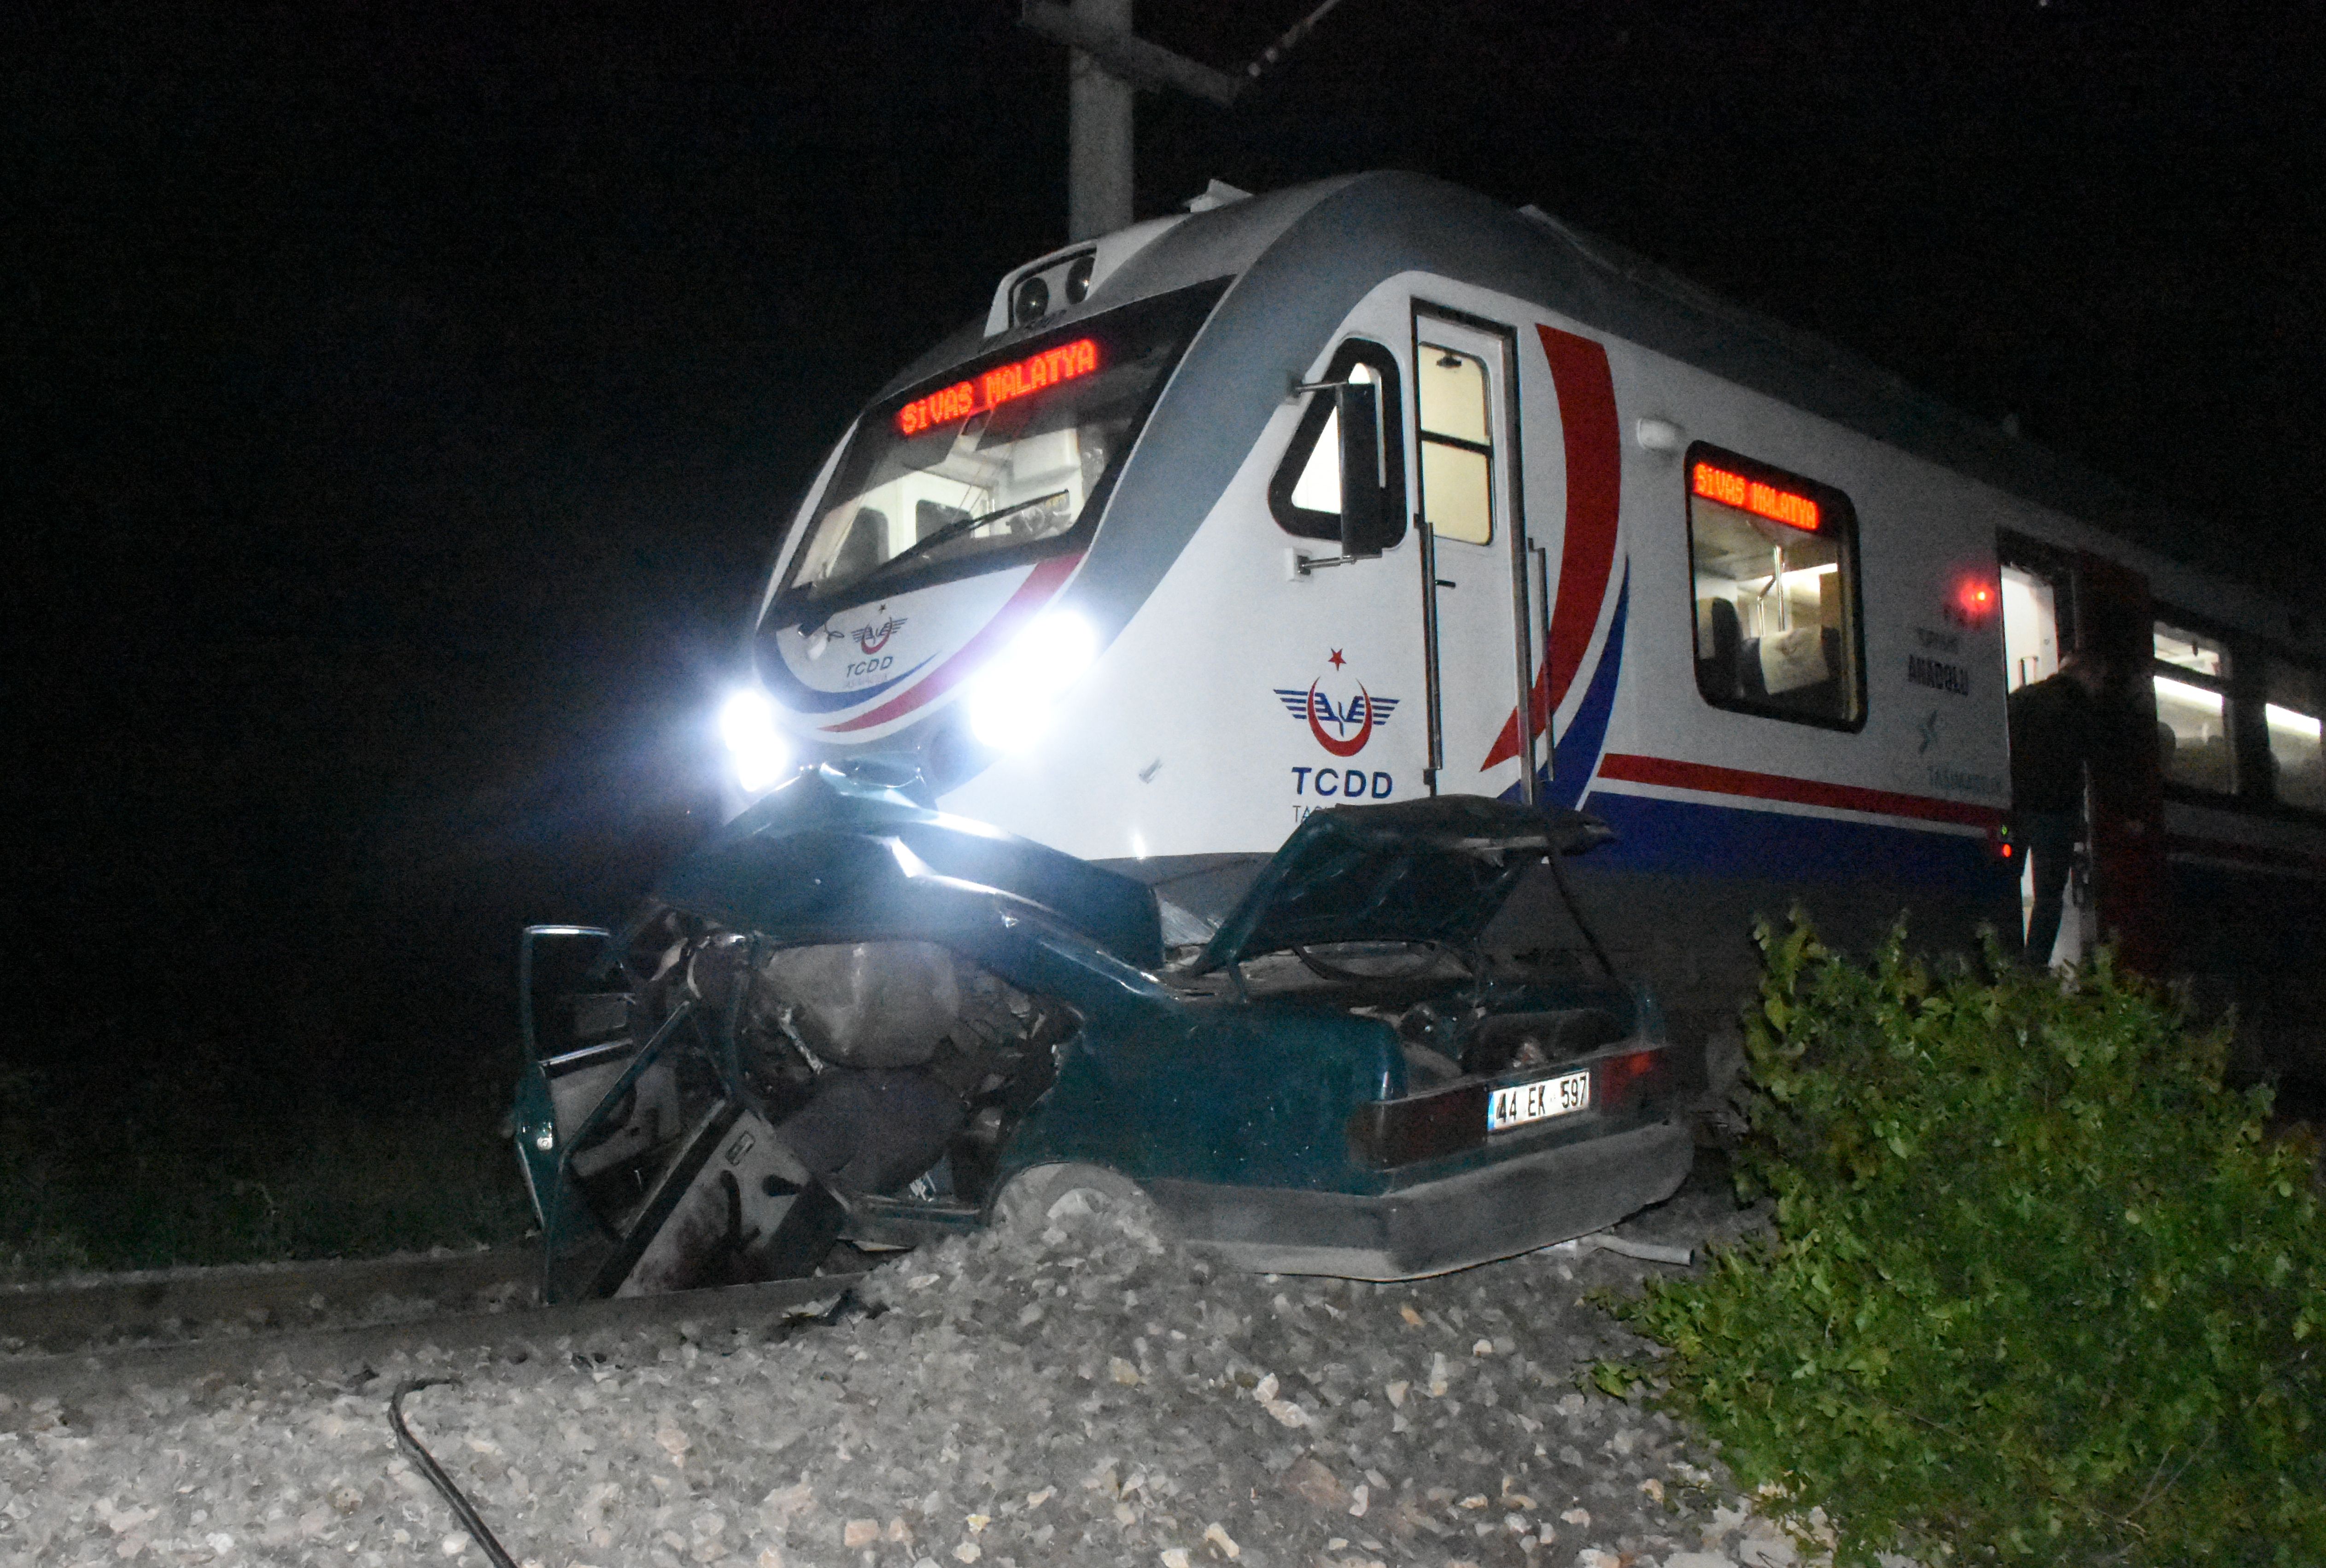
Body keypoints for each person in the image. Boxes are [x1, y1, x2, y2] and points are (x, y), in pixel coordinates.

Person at [2007, 648, 2111, 966]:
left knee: (2007, 883)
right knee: (2049, 898)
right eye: (2099, 681)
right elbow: (2100, 761)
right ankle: (2034, 967)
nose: (2099, 688)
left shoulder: (2023, 698)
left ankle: (2003, 957)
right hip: (2056, 814)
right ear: (2087, 675)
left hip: (2016, 808)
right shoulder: (2084, 710)